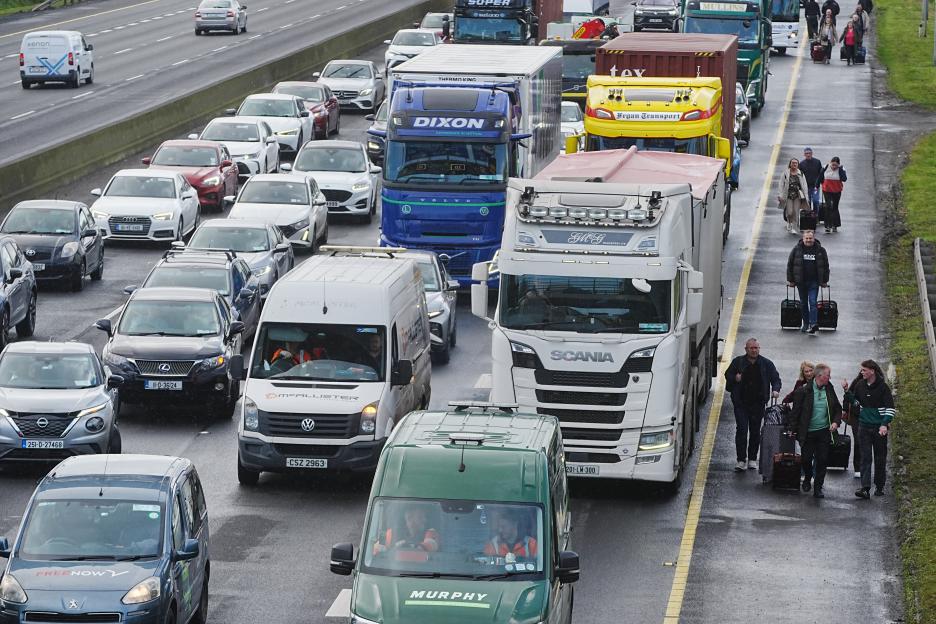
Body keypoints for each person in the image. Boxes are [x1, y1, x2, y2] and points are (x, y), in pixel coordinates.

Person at [724, 338, 782, 472]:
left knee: (755, 432)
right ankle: (741, 460)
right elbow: (728, 374)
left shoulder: (766, 364)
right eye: (752, 348)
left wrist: (775, 390)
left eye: (756, 348)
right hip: (741, 403)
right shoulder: (738, 362)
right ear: (746, 349)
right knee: (742, 430)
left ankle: (752, 459)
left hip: (758, 403)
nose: (754, 350)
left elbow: (775, 379)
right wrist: (735, 378)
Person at [841, 360, 895, 499]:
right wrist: (847, 391)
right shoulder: (860, 385)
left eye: (864, 370)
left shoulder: (883, 388)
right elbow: (857, 403)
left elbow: (890, 409)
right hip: (864, 426)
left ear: (872, 371)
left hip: (878, 428)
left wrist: (884, 424)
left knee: (880, 457)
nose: (862, 372)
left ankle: (879, 485)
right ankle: (865, 488)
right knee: (865, 457)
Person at [788, 363, 842, 498]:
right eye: (828, 375)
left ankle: (818, 488)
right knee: (806, 459)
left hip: (824, 431)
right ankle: (807, 477)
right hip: (808, 432)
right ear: (819, 376)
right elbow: (796, 413)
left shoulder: (829, 388)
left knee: (822, 459)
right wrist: (792, 429)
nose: (830, 377)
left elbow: (837, 408)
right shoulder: (803, 391)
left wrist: (835, 422)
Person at [786, 229, 831, 335]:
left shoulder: (820, 250)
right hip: (800, 282)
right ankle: (805, 323)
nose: (808, 240)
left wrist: (824, 281)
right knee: (803, 303)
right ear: (803, 238)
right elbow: (790, 265)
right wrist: (791, 280)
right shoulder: (796, 250)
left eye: (810, 238)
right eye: (806, 238)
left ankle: (813, 324)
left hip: (814, 282)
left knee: (813, 302)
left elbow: (825, 266)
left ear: (814, 238)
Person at [373, 505, 440, 555]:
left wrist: (405, 546)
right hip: (395, 569)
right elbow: (377, 552)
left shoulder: (431, 532)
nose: (424, 520)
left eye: (424, 517)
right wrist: (380, 548)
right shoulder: (391, 533)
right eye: (420, 517)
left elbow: (431, 545)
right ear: (409, 518)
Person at [777, 158, 809, 233]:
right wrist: (780, 195)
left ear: (798, 165)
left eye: (796, 163)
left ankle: (794, 227)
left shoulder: (800, 173)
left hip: (797, 195)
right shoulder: (785, 173)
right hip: (788, 195)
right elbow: (781, 184)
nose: (794, 164)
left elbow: (804, 185)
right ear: (790, 164)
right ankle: (789, 222)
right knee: (790, 211)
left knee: (796, 211)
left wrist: (806, 196)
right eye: (793, 163)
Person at [820, 157, 847, 232]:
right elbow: (820, 176)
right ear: (830, 163)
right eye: (832, 165)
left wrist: (840, 169)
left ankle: (835, 225)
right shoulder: (825, 167)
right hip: (827, 190)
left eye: (836, 165)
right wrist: (816, 186)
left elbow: (844, 179)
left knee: (835, 207)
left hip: (837, 191)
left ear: (838, 164)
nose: (834, 167)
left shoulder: (841, 169)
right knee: (828, 206)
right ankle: (827, 226)